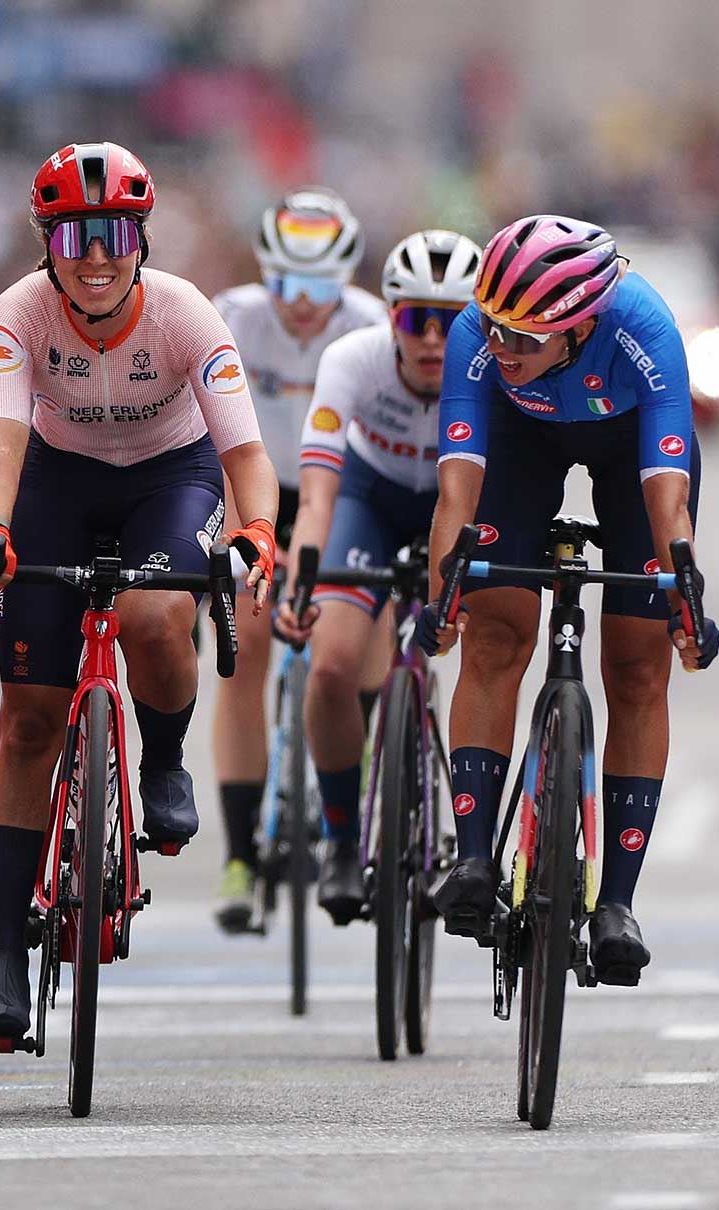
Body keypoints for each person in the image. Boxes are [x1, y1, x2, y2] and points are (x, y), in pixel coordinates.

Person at [0, 142, 278, 1041]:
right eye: (72, 238)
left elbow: (247, 456)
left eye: (112, 233)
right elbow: (5, 438)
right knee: (26, 721)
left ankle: (164, 755)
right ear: (45, 247)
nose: (94, 255)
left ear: (140, 236)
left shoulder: (185, 313)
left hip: (171, 478)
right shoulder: (19, 313)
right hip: (56, 480)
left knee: (149, 614)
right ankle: (5, 952)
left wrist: (257, 534)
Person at [419, 215, 719, 986]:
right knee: (494, 635)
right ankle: (476, 859)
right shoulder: (478, 340)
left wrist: (684, 594)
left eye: (524, 338)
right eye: (494, 329)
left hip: (631, 454)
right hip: (519, 444)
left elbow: (667, 500)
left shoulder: (642, 331)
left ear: (581, 325)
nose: (501, 349)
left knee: (639, 668)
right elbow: (458, 487)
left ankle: (617, 903)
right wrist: (442, 595)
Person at [273, 230, 484, 921]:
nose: (431, 338)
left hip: (461, 502)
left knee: (486, 648)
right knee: (331, 667)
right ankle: (340, 838)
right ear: (388, 316)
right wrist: (303, 572)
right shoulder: (351, 359)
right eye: (414, 318)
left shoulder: (491, 367)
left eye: (451, 321)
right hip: (369, 497)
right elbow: (319, 494)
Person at [208, 187, 389, 934]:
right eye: (287, 284)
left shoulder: (372, 325)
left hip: (342, 493)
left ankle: (361, 750)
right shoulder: (233, 317)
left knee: (355, 633)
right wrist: (235, 541)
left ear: (345, 281)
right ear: (263, 275)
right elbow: (207, 431)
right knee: (245, 649)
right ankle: (242, 853)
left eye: (320, 287)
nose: (304, 305)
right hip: (255, 488)